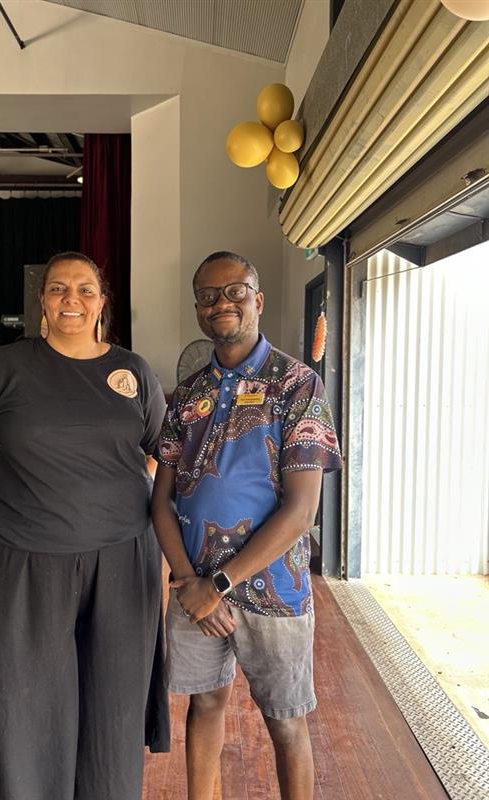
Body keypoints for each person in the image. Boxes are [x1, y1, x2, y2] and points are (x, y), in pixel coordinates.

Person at [0, 251, 169, 800]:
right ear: (42, 302)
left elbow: (158, 454)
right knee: (18, 698)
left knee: (113, 703)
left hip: (123, 560)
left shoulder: (134, 372)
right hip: (23, 561)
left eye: (86, 289)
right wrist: (28, 499)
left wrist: (106, 496)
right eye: (58, 289)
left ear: (102, 302)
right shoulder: (2, 369)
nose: (73, 299)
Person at [152, 251, 342, 800]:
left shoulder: (297, 385)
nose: (221, 303)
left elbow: (301, 512)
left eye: (235, 291)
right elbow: (161, 501)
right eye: (208, 295)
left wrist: (217, 585)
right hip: (194, 589)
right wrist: (189, 583)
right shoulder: (188, 394)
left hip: (274, 590)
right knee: (205, 703)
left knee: (286, 722)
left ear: (257, 299)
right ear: (197, 308)